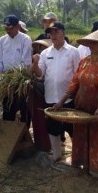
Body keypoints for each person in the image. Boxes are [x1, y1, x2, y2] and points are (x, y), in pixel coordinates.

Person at [53, 29, 98, 179]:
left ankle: (97, 172)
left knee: (97, 139)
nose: (91, 46)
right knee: (81, 137)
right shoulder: (84, 61)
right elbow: (74, 83)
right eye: (90, 43)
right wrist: (61, 101)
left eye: (94, 43)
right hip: (81, 107)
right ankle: (83, 165)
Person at [32, 22, 80, 160]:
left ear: (63, 33)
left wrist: (73, 94)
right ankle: (57, 154)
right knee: (52, 128)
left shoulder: (73, 51)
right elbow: (40, 75)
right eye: (50, 33)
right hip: (50, 97)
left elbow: (78, 75)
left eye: (56, 32)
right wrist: (35, 63)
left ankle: (77, 156)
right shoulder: (46, 53)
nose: (53, 35)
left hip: (69, 98)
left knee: (72, 128)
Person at [0, 14, 32, 123]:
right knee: (7, 108)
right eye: (6, 28)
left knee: (23, 110)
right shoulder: (1, 40)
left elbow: (26, 62)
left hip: (21, 80)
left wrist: (16, 75)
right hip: (6, 81)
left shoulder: (25, 39)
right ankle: (9, 136)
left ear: (17, 27)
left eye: (10, 28)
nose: (7, 30)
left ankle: (25, 136)